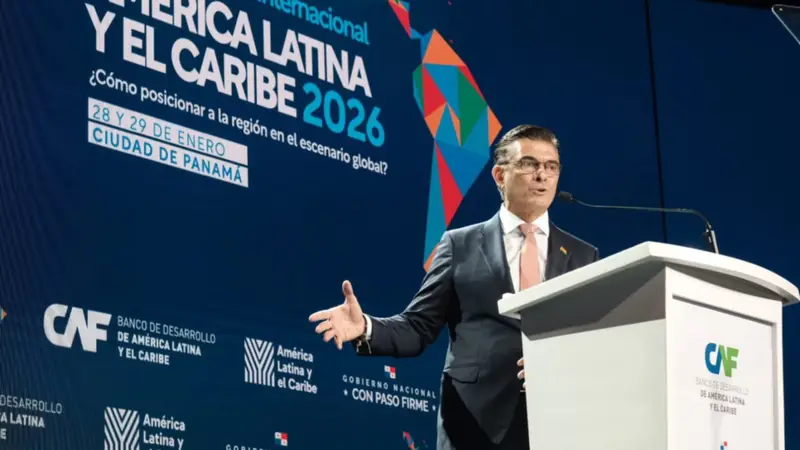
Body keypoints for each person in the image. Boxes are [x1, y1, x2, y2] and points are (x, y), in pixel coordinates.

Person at [309, 124, 599, 450]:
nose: (542, 175)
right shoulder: (460, 245)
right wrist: (365, 327)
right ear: (499, 175)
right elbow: (418, 327)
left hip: (557, 425)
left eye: (551, 166)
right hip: (473, 425)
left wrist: (565, 367)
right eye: (529, 164)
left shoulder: (582, 256)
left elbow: (593, 344)